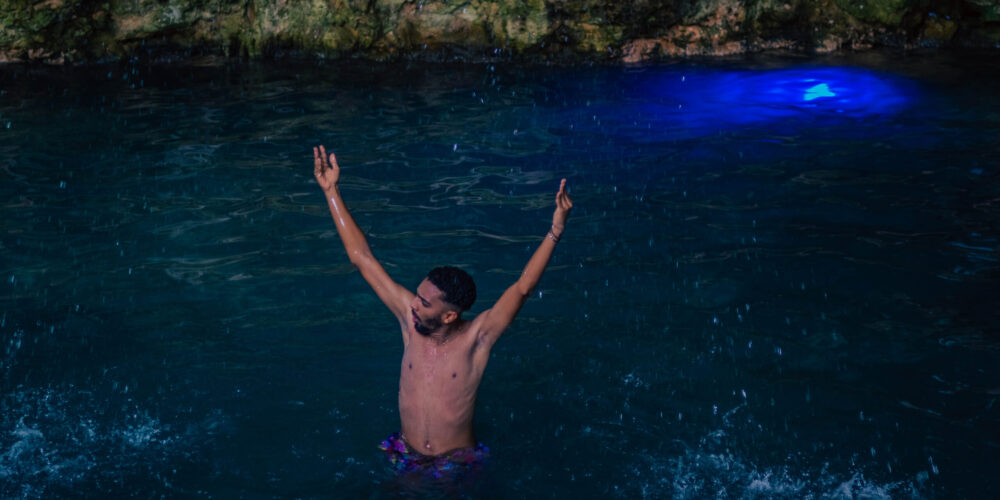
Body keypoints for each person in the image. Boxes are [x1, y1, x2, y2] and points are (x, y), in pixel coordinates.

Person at [312, 145, 572, 473]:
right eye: (417, 296)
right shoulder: (409, 320)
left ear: (450, 315)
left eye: (423, 302)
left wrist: (555, 231)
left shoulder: (477, 338)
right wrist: (331, 191)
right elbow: (361, 257)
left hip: (456, 464)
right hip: (404, 453)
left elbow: (521, 289)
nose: (413, 305)